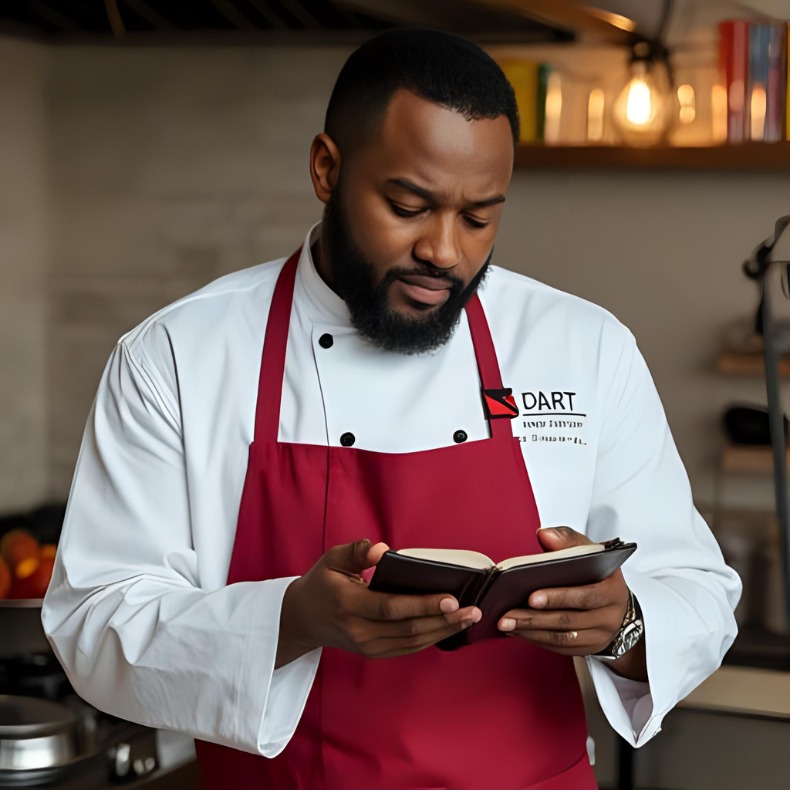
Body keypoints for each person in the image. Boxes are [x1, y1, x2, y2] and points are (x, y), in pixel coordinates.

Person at [42, 28, 741, 790]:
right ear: (326, 169)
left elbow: (697, 589)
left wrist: (624, 624)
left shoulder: (583, 345)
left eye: (479, 218)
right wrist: (294, 618)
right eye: (409, 205)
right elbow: (92, 625)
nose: (444, 250)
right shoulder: (179, 355)